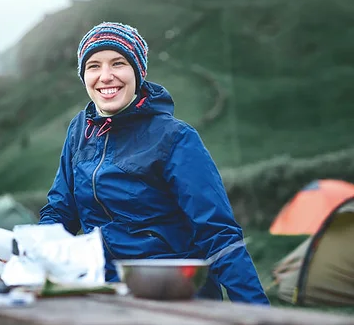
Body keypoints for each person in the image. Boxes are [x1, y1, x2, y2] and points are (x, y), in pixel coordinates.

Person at [39, 22, 269, 304]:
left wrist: (259, 316)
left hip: (170, 294)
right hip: (103, 290)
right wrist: (32, 252)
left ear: (138, 72)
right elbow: (60, 210)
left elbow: (218, 234)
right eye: (94, 66)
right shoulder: (79, 131)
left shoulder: (176, 138)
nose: (106, 76)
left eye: (118, 63)